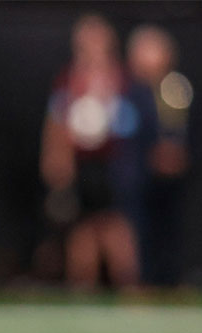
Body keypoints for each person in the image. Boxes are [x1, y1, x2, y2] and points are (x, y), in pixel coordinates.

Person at [38, 15, 153, 291]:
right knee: (83, 228)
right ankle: (82, 287)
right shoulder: (68, 80)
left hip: (116, 162)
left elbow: (136, 120)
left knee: (117, 226)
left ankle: (128, 284)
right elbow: (56, 121)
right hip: (82, 163)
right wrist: (55, 156)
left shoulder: (123, 79)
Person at [127, 24, 191, 287]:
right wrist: (151, 155)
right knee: (141, 230)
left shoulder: (177, 88)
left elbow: (187, 128)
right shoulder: (130, 92)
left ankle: (172, 280)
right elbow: (127, 132)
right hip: (138, 174)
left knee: (171, 230)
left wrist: (177, 154)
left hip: (173, 176)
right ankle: (143, 281)